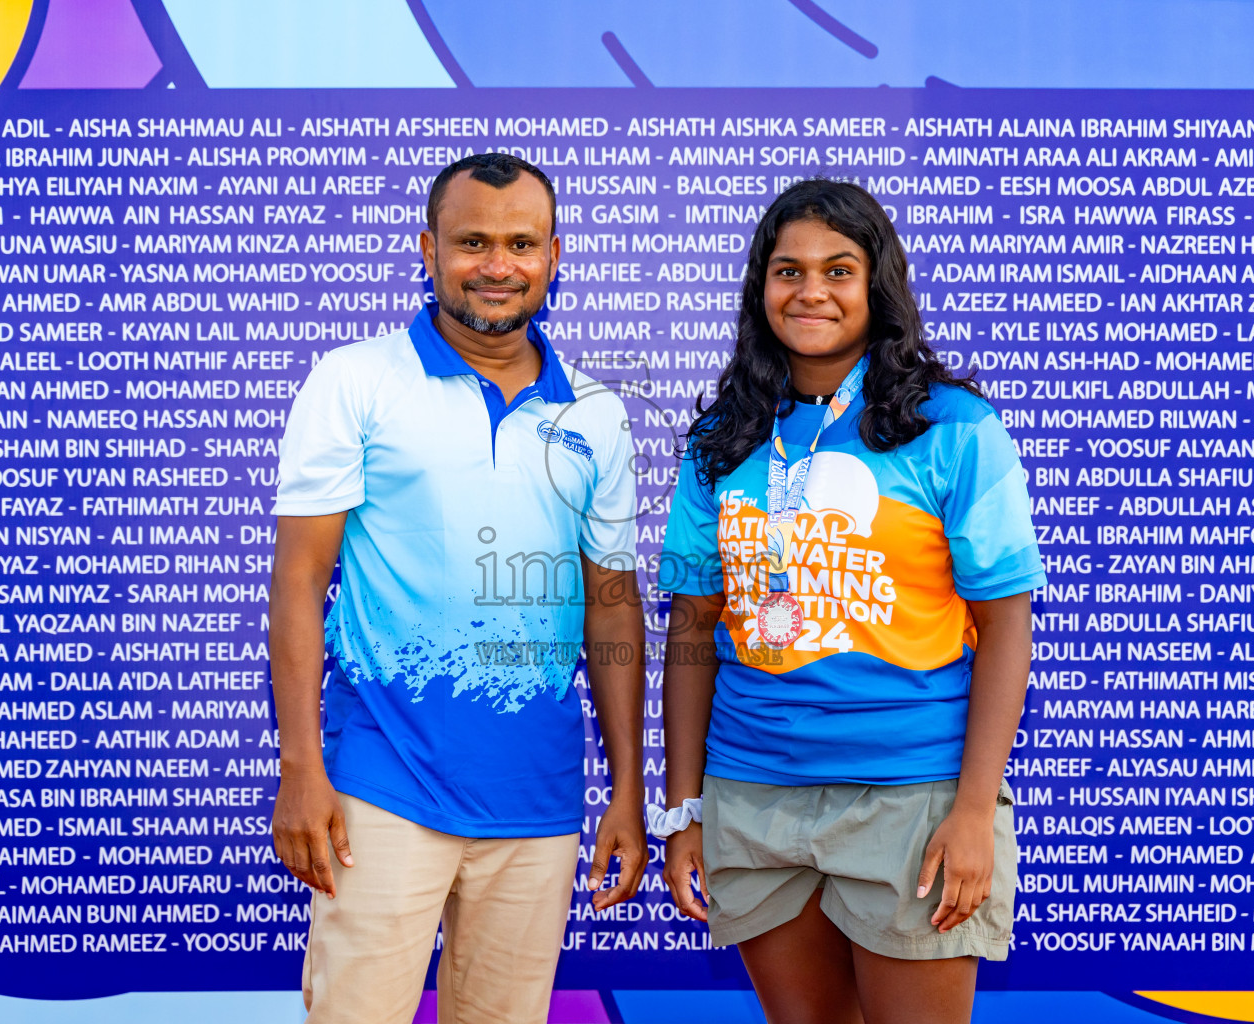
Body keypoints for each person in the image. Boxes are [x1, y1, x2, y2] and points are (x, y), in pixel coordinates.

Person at [269, 152, 648, 1024]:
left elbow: (612, 603)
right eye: (472, 240)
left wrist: (628, 791)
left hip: (538, 799)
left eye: (520, 242)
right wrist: (301, 770)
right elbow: (299, 584)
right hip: (381, 788)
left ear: (554, 254)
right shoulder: (356, 380)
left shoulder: (595, 412)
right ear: (429, 250)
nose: (497, 264)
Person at [654, 178, 1044, 1024]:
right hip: (753, 795)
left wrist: (975, 810)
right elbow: (691, 629)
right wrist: (686, 808)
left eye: (839, 269)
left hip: (910, 796)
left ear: (878, 286)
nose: (812, 291)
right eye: (788, 270)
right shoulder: (722, 440)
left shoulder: (953, 427)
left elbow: (1007, 627)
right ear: (762, 287)